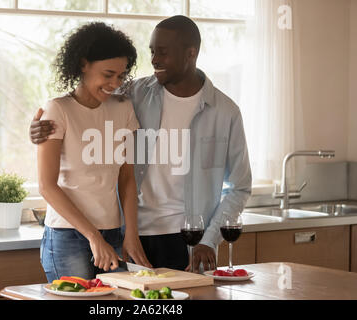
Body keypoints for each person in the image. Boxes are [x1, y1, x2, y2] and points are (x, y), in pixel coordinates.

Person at [31, 16, 252, 273]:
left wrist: (210, 240)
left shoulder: (225, 112)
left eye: (163, 52)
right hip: (128, 234)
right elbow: (82, 103)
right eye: (152, 51)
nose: (155, 59)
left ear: (191, 53)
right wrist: (40, 129)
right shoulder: (133, 94)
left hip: (189, 239)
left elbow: (240, 186)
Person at [37, 22, 151, 282]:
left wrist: (130, 234)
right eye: (108, 74)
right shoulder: (57, 109)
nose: (115, 83)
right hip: (69, 236)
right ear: (83, 64)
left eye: (121, 76)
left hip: (113, 232)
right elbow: (47, 186)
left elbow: (127, 177)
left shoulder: (123, 108)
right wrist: (93, 237)